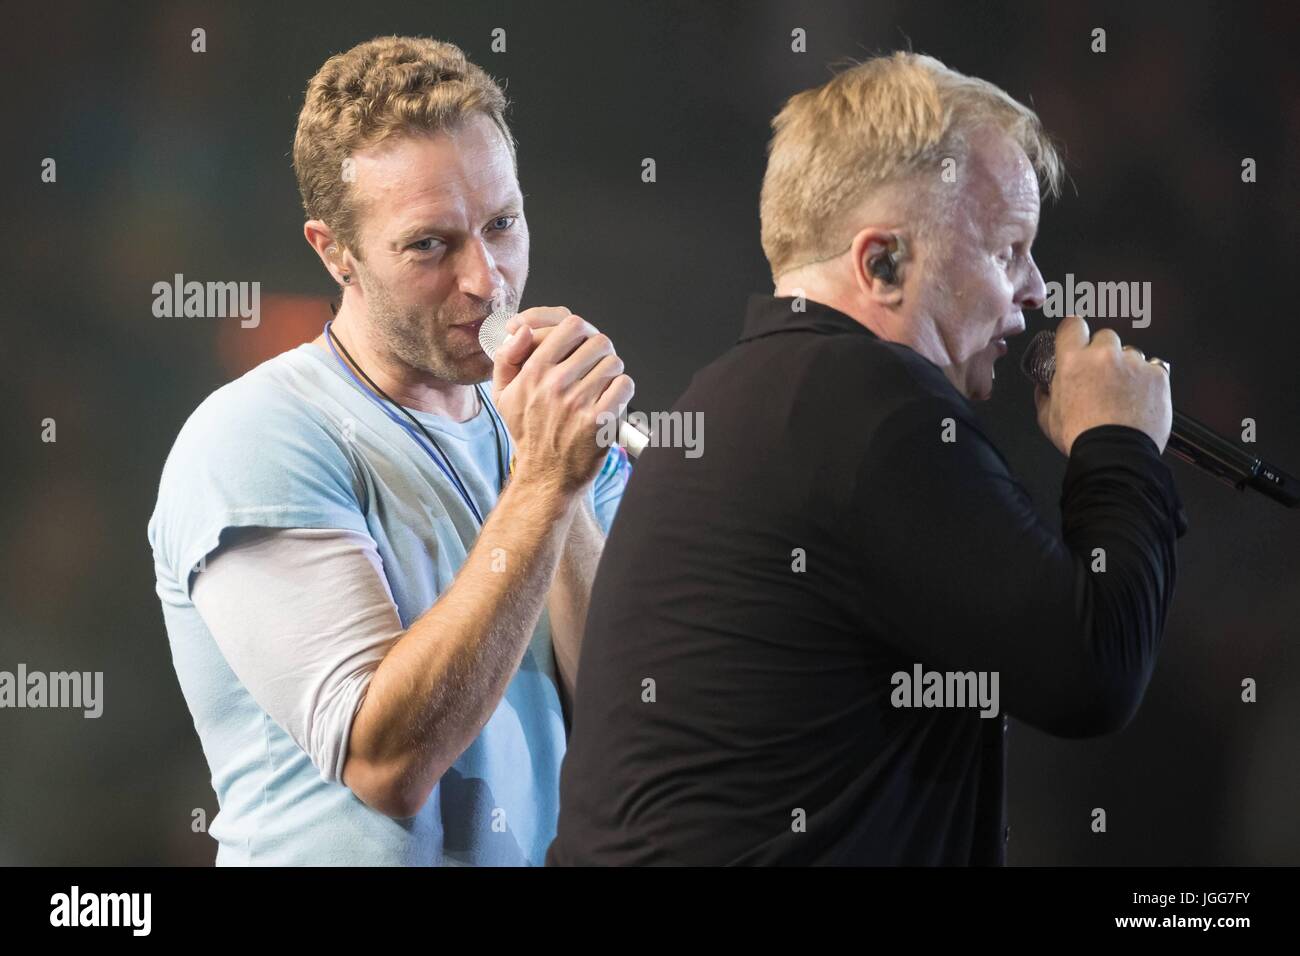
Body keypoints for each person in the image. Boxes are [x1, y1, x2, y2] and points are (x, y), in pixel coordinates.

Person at [548, 52, 1188, 866]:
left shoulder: (745, 394)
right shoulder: (867, 407)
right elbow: (1092, 669)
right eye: (1007, 249)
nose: (1035, 289)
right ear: (882, 262)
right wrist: (1120, 443)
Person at [148, 35, 633, 865]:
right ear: (334, 251)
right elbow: (388, 764)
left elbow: (626, 722)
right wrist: (545, 486)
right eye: (430, 245)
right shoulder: (257, 436)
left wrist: (570, 481)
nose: (488, 279)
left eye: (502, 224)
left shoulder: (551, 423)